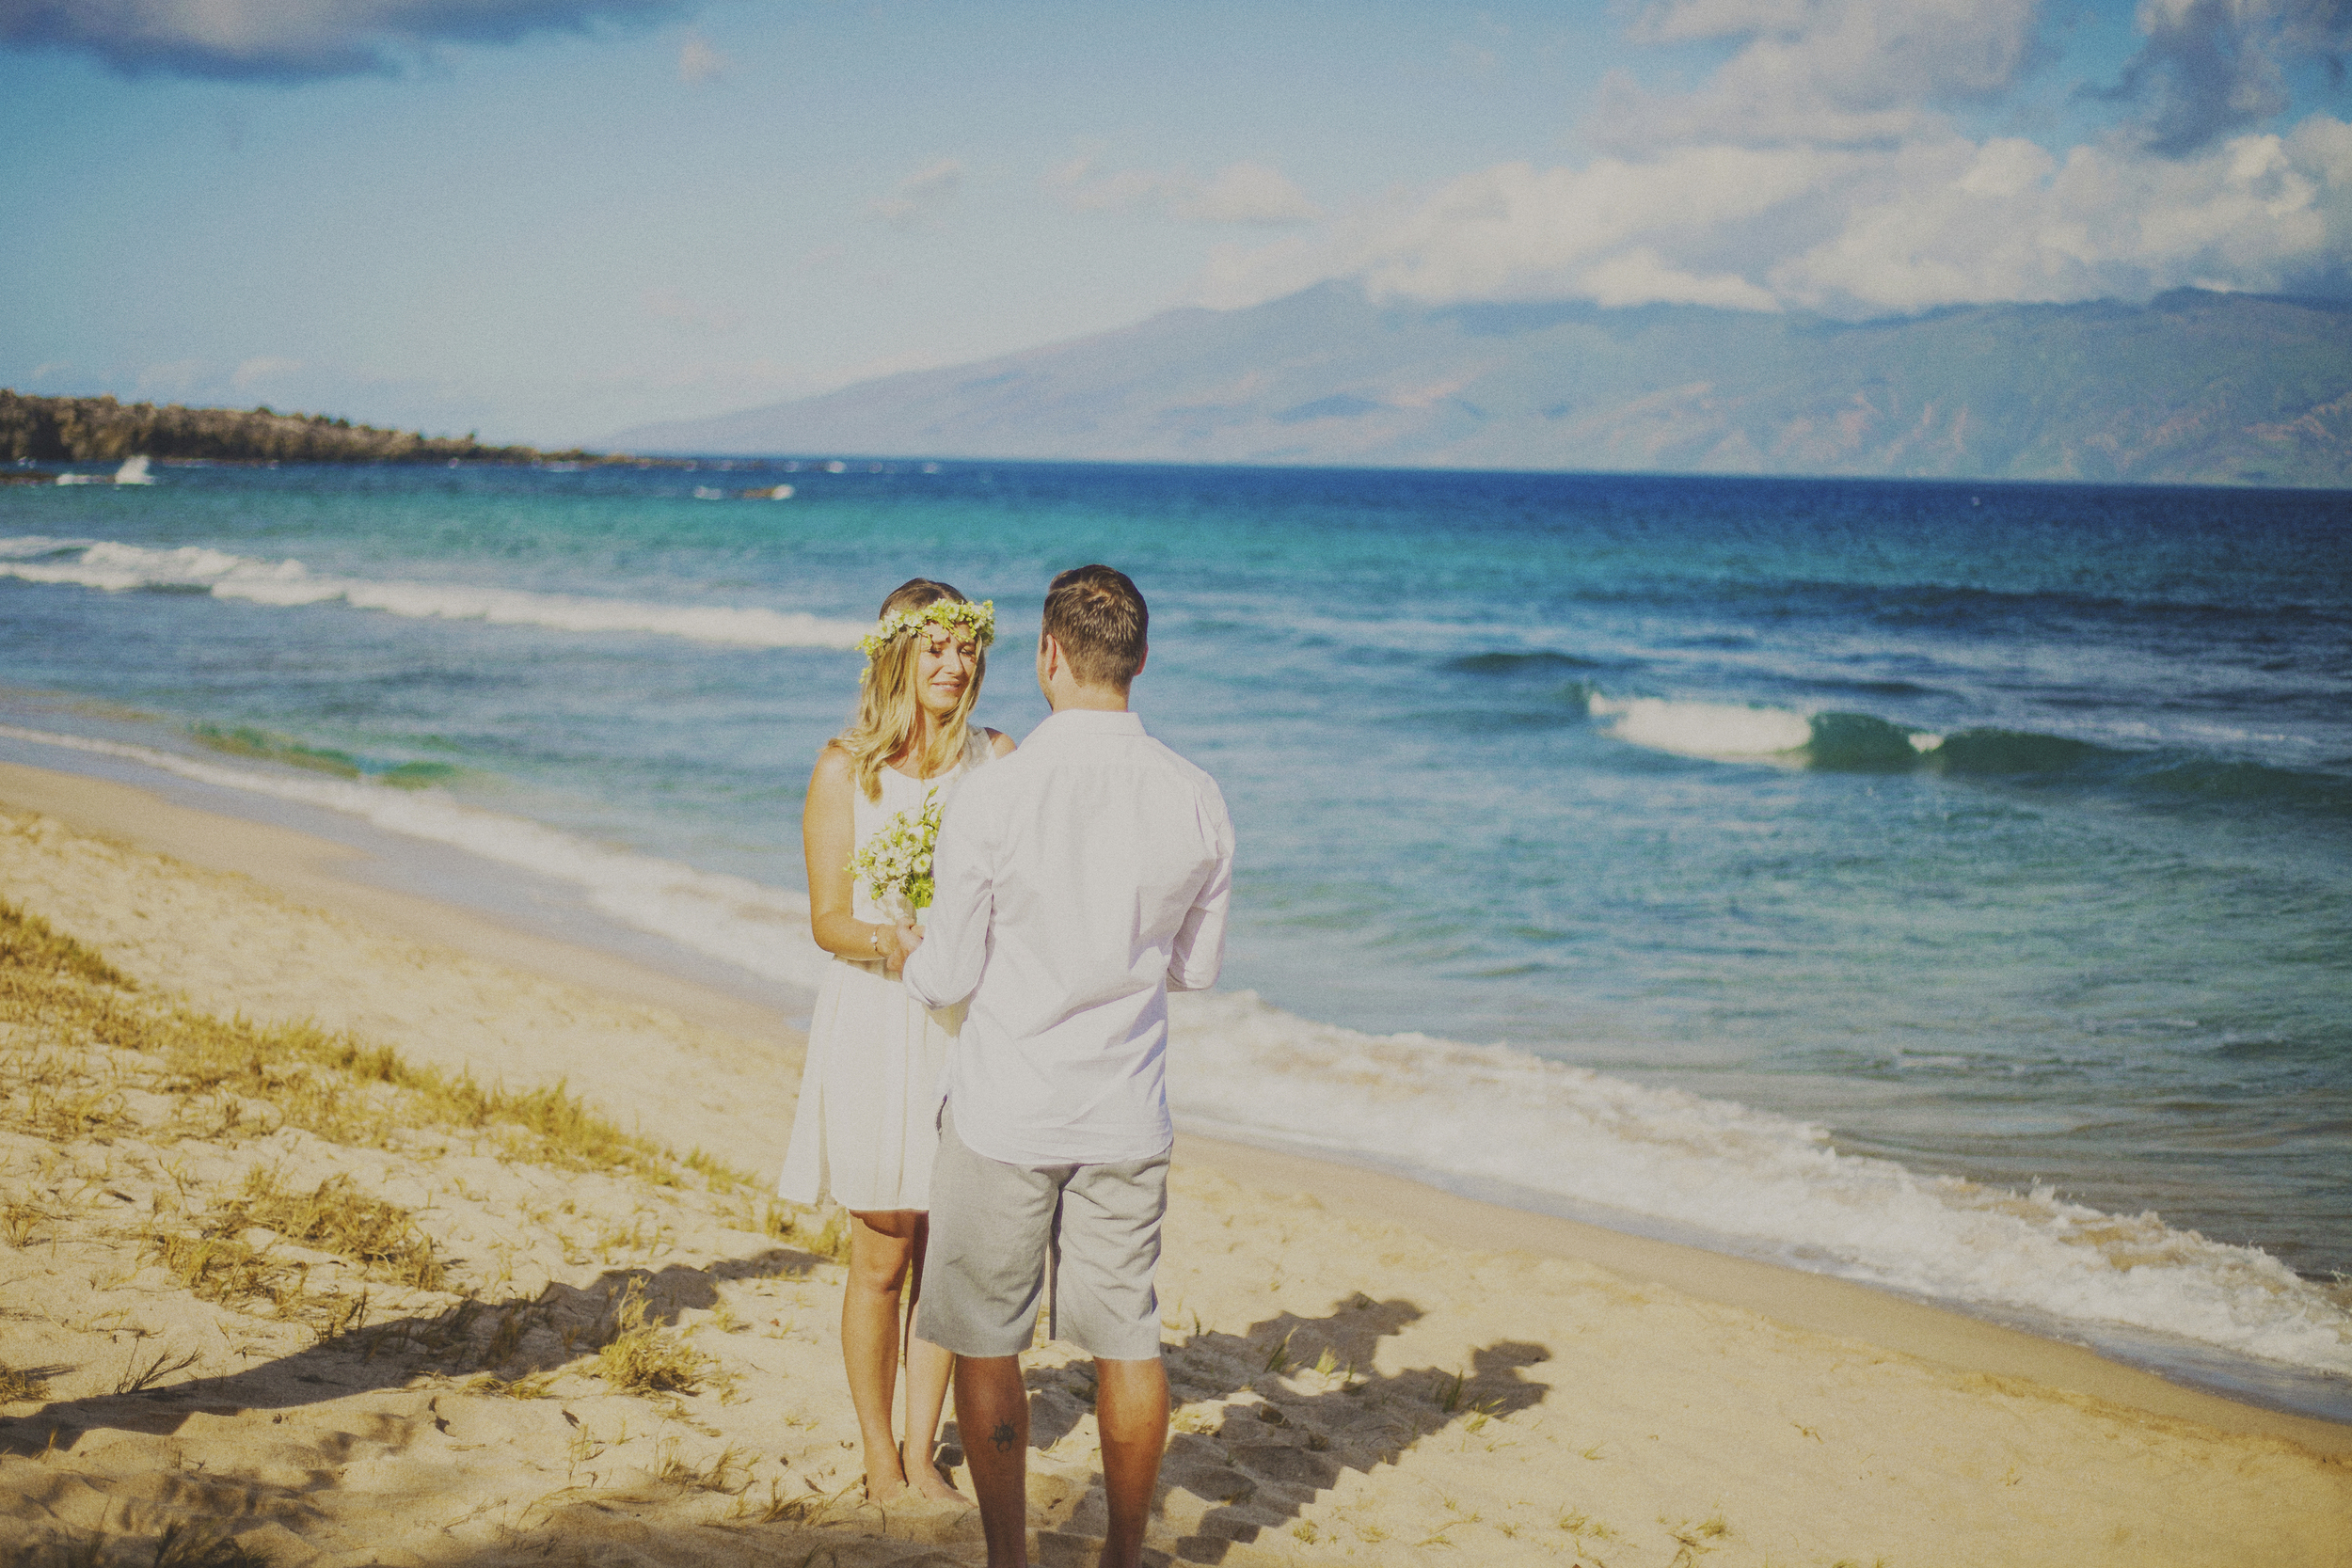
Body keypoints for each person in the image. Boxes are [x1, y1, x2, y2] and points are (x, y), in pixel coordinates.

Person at [898, 564, 1234, 1568]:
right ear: (1139, 660)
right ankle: (1122, 1554)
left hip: (1004, 1109)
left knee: (986, 1339)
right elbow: (1196, 968)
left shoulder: (996, 794)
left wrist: (913, 950)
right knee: (1127, 1335)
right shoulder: (1196, 794)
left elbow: (948, 970)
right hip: (1125, 1107)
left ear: (1047, 655)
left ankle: (1013, 1558)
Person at [776, 577, 1015, 1506]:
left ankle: (923, 1450)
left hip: (965, 1027)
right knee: (881, 1249)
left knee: (948, 1251)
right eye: (937, 648)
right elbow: (827, 919)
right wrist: (892, 935)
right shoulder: (845, 768)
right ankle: (878, 1452)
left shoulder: (998, 759)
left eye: (967, 648)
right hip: (877, 1018)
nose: (955, 665)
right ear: (898, 655)